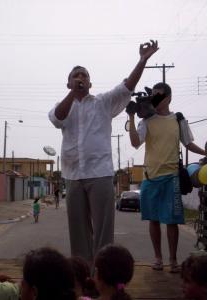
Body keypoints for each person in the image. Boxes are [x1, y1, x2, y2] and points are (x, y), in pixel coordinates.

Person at [48, 40, 159, 263]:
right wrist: (72, 94)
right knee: (78, 233)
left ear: (90, 82)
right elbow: (57, 118)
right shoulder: (63, 105)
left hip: (100, 173)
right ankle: (83, 276)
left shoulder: (103, 102)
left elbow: (128, 86)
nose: (80, 78)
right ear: (68, 83)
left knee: (103, 233)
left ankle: (102, 276)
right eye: (75, 76)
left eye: (84, 75)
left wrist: (142, 60)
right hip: (72, 175)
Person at [127, 82, 205, 272]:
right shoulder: (145, 121)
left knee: (171, 221)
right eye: (153, 95)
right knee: (153, 220)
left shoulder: (178, 119)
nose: (155, 98)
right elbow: (135, 142)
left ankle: (173, 260)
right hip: (150, 177)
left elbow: (188, 144)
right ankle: (158, 259)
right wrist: (130, 115)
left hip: (172, 177)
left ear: (169, 97)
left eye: (159, 95)